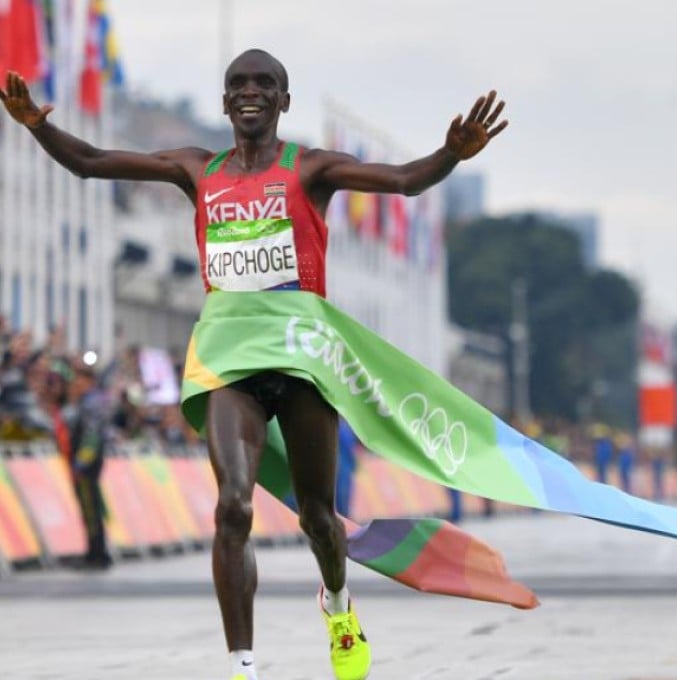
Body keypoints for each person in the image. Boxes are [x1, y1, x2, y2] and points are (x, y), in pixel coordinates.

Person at [1, 49, 507, 680]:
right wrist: (37, 125)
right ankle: (242, 665)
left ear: (282, 102)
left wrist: (450, 156)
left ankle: (339, 604)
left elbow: (403, 181)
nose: (250, 92)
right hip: (228, 361)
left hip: (300, 363)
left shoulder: (311, 168)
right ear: (223, 103)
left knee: (318, 517)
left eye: (265, 84)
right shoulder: (197, 169)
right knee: (232, 508)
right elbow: (92, 162)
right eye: (237, 83)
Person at [65, 362, 113, 570]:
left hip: (87, 463)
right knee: (89, 507)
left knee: (90, 508)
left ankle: (97, 554)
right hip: (89, 461)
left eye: (80, 380)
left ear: (90, 381)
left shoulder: (91, 402)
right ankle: (95, 551)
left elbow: (91, 436)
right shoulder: (90, 401)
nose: (76, 384)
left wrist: (81, 463)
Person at [335, 418, 358, 517]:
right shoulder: (342, 429)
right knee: (341, 492)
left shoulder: (344, 428)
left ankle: (344, 515)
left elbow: (350, 449)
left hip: (343, 466)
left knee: (342, 492)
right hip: (341, 466)